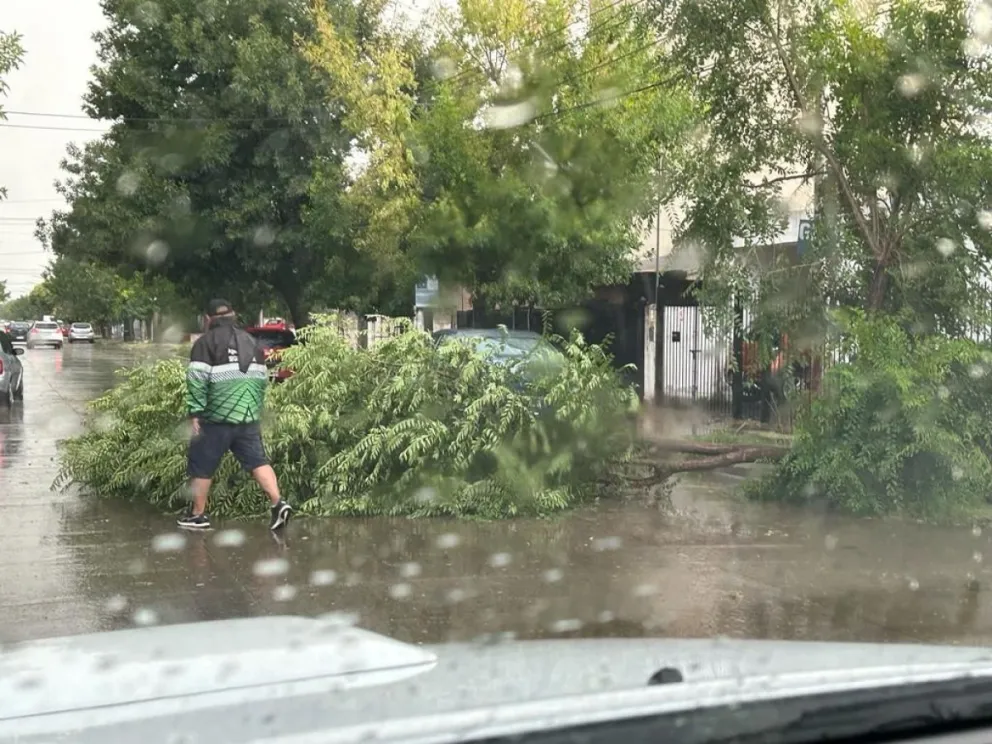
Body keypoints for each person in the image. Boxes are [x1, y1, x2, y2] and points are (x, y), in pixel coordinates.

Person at [178, 299, 293, 531]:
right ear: (233, 316)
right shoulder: (252, 342)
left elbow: (197, 381)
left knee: (202, 464)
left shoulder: (204, 343)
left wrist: (196, 413)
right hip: (247, 416)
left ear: (209, 319)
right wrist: (254, 409)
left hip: (216, 418)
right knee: (258, 461)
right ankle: (278, 503)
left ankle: (198, 516)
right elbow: (262, 381)